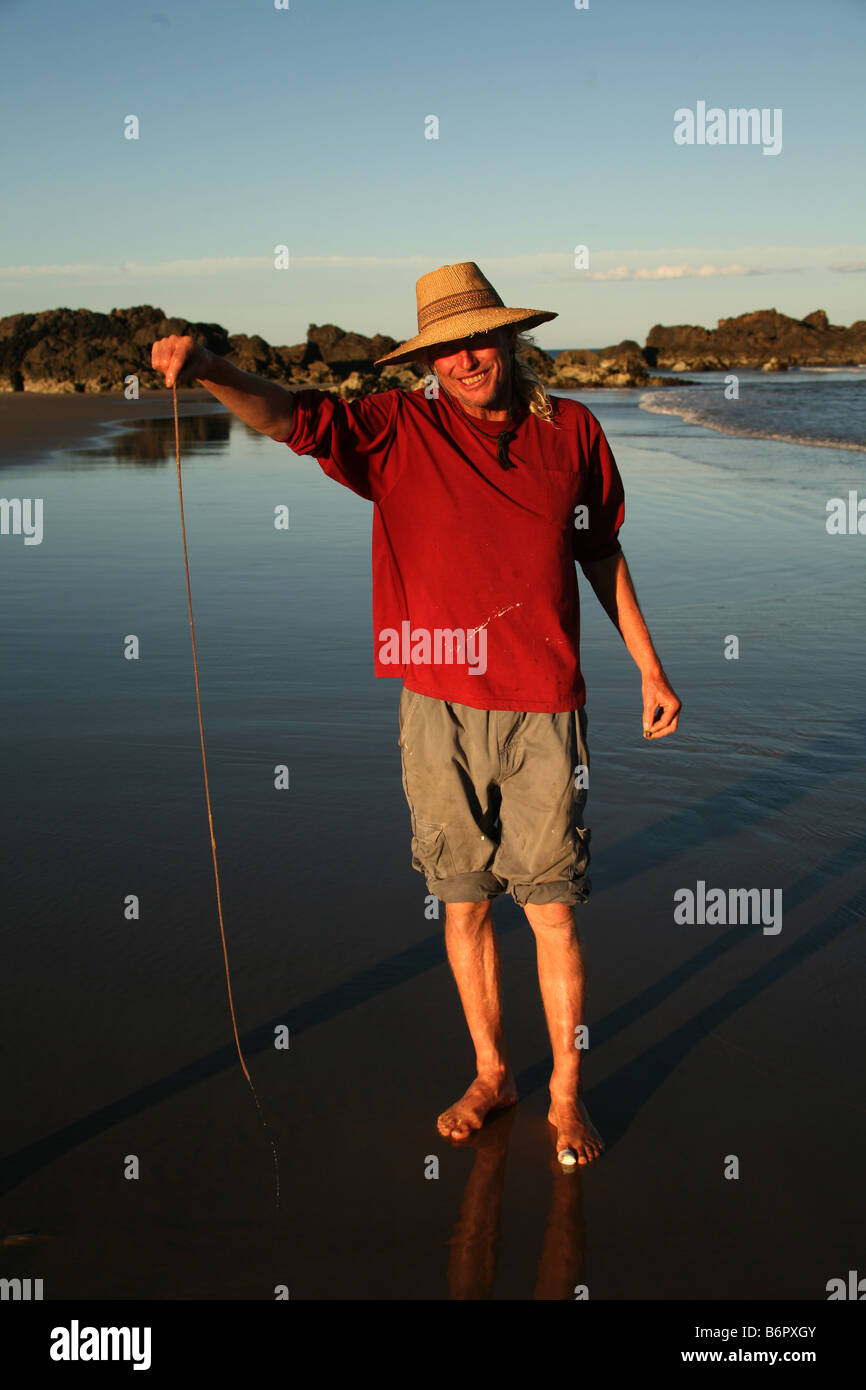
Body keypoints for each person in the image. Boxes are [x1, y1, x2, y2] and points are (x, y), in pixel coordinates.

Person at [151, 261, 681, 1167]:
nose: (469, 361)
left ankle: (562, 1095)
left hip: (544, 707)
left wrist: (650, 667)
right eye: (448, 349)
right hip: (435, 700)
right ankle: (491, 1073)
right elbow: (293, 417)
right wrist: (212, 367)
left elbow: (601, 551)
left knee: (551, 911)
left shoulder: (576, 432)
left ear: (510, 340)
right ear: (427, 361)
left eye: (481, 340)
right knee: (463, 903)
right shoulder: (395, 428)